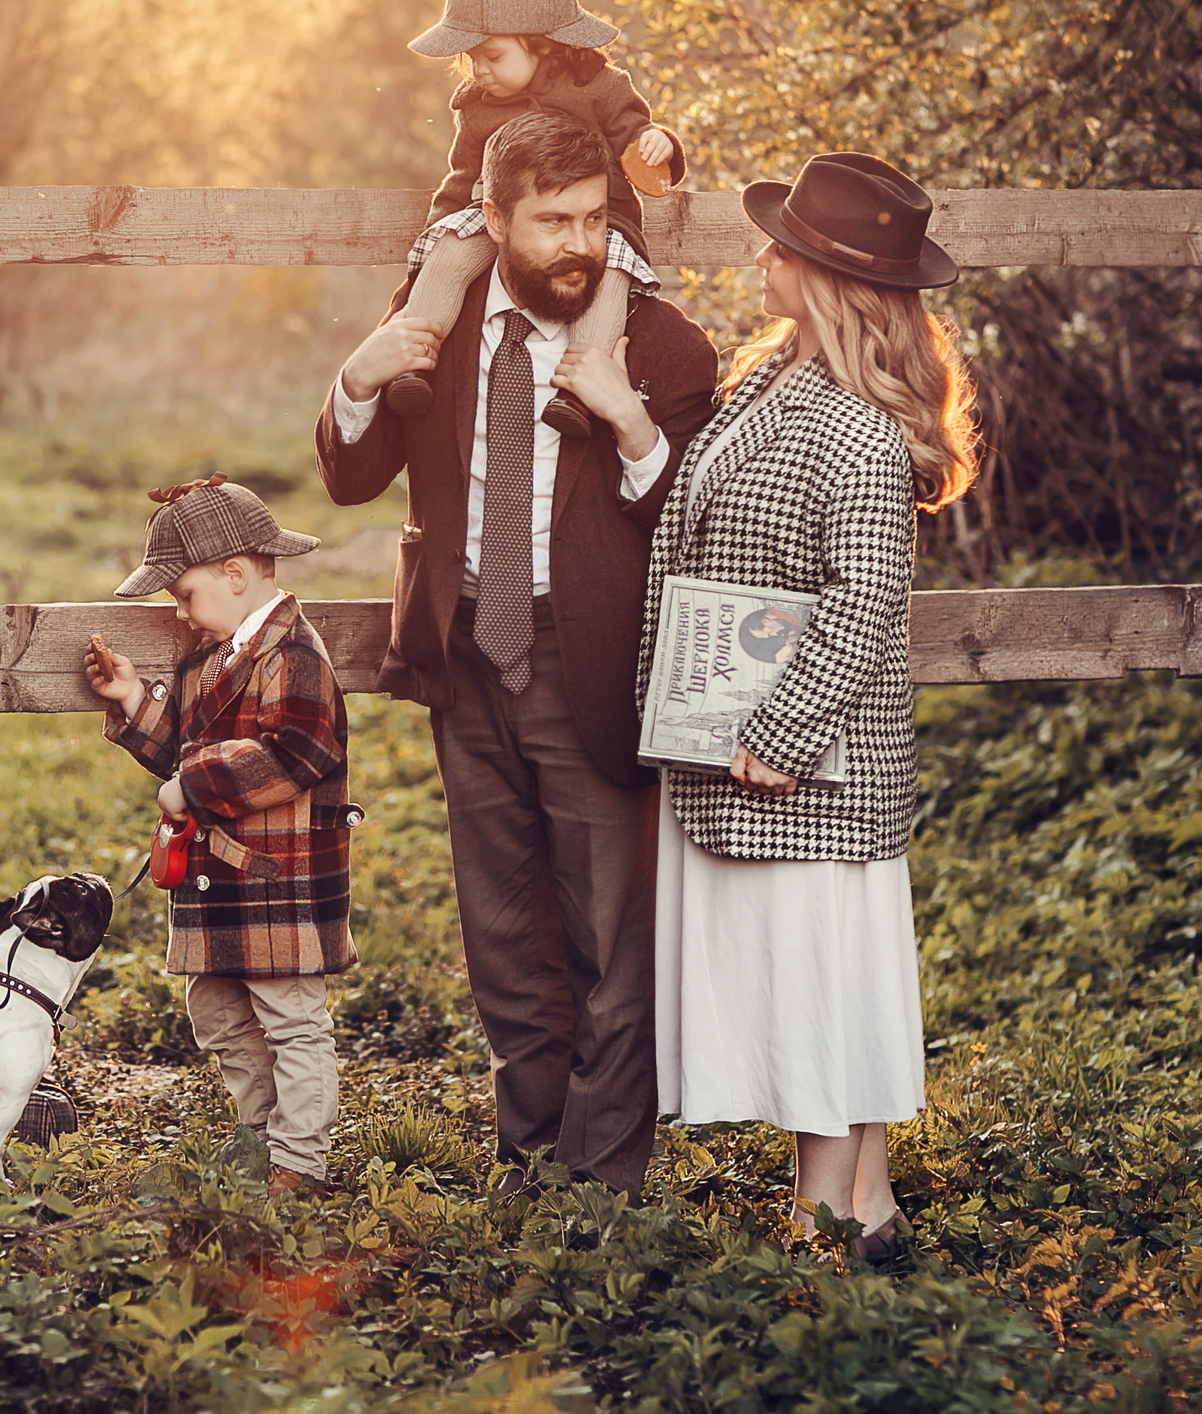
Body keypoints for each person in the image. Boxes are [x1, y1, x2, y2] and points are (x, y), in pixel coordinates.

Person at [315, 109, 719, 1195]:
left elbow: (696, 529)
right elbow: (350, 482)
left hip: (591, 669)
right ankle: (529, 1162)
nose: (576, 246)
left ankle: (603, 1181)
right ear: (489, 221)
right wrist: (356, 379)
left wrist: (632, 427)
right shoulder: (432, 333)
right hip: (464, 656)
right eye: (549, 222)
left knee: (606, 937)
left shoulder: (664, 349)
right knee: (501, 933)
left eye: (591, 219)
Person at [637, 151, 979, 1261]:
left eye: (779, 245)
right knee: (813, 981)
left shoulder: (862, 432)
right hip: (742, 744)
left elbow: (866, 597)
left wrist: (782, 733)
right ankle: (861, 1207)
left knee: (817, 981)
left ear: (826, 278)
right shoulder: (773, 381)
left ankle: (823, 1217)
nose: (759, 253)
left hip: (809, 764)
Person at [86, 475, 357, 1198]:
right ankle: (259, 1131)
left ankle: (299, 1159)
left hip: (274, 878)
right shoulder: (210, 656)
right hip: (218, 884)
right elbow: (180, 745)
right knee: (218, 1013)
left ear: (235, 574)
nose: (180, 610)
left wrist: (195, 785)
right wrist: (135, 701)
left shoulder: (294, 656)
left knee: (291, 1020)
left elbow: (299, 753)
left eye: (183, 593)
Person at [387, 0, 689, 443]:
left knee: (607, 286)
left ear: (544, 46)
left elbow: (633, 133)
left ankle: (578, 394)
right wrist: (440, 233)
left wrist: (656, 142)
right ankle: (416, 361)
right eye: (470, 58)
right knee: (451, 256)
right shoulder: (478, 107)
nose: (479, 70)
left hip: (599, 222)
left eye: (492, 56)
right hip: (496, 212)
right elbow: (462, 177)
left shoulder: (597, 87)